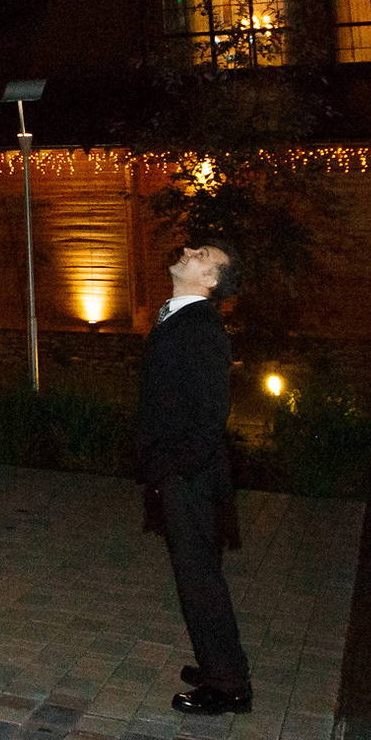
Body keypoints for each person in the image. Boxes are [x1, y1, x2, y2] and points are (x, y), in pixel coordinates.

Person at [141, 242, 253, 715]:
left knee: (200, 579)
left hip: (191, 475)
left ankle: (228, 685)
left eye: (202, 253)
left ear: (210, 280)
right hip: (180, 471)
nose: (188, 250)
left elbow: (211, 413)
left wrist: (175, 469)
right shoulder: (178, 316)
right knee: (196, 576)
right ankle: (216, 662)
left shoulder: (203, 328)